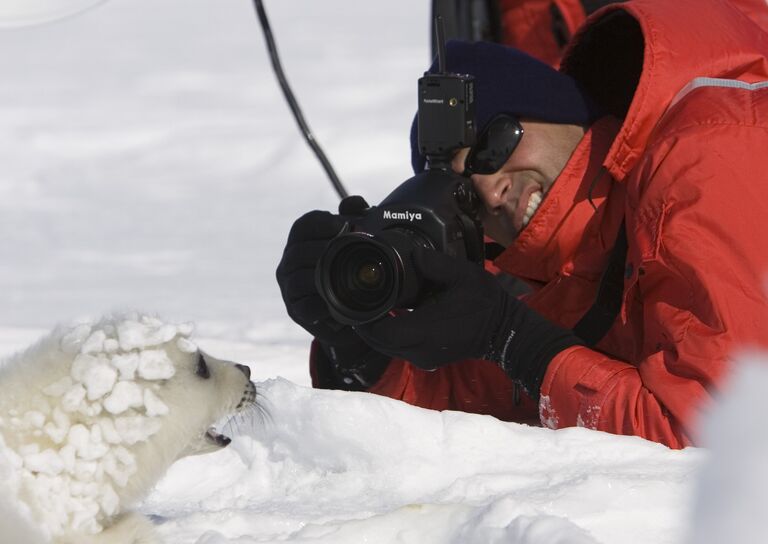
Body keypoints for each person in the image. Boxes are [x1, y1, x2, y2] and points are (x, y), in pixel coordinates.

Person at [277, 0, 768, 449]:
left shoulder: (706, 151)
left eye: (495, 145)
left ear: (560, 109)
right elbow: (454, 400)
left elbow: (719, 441)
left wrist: (515, 340)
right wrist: (355, 348)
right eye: (466, 198)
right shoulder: (584, 281)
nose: (492, 190)